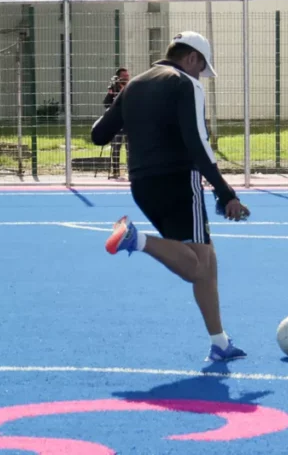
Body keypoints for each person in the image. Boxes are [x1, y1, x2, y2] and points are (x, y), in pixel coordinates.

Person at [90, 31, 250, 362]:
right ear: (191, 58)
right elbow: (197, 143)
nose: (200, 76)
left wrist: (131, 108)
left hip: (142, 185)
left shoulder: (134, 85)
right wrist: (226, 193)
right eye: (201, 68)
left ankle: (220, 343)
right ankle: (136, 240)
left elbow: (98, 134)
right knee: (197, 267)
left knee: (207, 259)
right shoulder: (185, 84)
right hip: (179, 180)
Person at [104, 67, 130, 180]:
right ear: (119, 77)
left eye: (127, 75)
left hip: (129, 123)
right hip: (117, 123)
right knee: (116, 147)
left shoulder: (131, 87)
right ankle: (115, 172)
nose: (126, 77)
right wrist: (110, 93)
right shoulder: (113, 89)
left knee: (130, 148)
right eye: (124, 76)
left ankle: (130, 171)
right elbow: (106, 104)